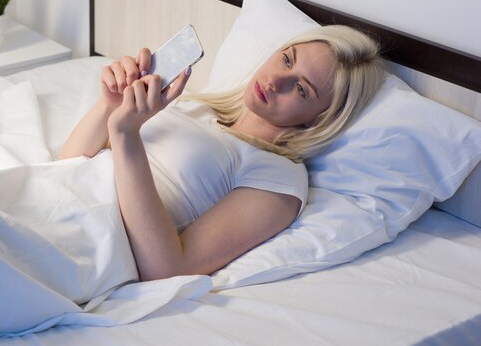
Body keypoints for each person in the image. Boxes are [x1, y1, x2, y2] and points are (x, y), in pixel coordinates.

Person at [59, 25, 385, 282]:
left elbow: (167, 270)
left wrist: (125, 135)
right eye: (287, 58)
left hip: (83, 241)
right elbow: (66, 167)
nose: (275, 81)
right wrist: (110, 105)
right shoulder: (196, 107)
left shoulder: (278, 176)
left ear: (320, 118)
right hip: (54, 198)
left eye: (301, 89)